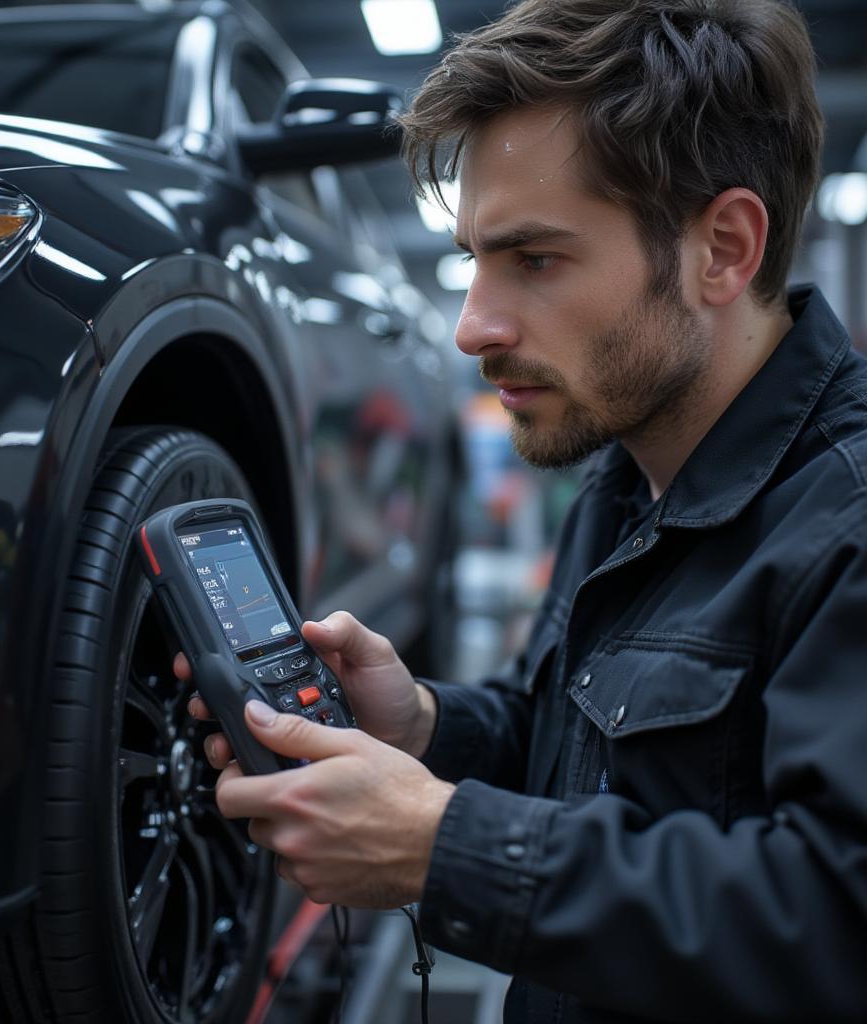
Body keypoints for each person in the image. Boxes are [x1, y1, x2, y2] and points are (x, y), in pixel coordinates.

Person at [175, 0, 867, 1019]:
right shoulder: (627, 477)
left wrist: (440, 849)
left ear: (721, 248)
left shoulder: (844, 522)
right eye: (472, 262)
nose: (470, 328)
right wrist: (425, 726)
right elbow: (579, 751)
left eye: (534, 260)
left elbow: (833, 920)